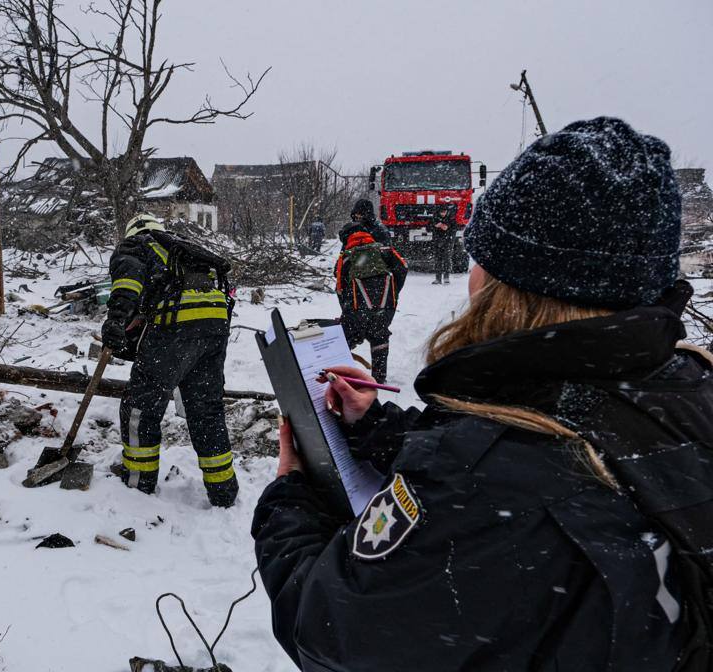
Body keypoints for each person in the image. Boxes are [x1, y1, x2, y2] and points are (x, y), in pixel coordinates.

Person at [252, 118, 705, 671]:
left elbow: (330, 631)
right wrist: (380, 425)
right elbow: (546, 441)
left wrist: (290, 497)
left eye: (477, 255)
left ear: (505, 281)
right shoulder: (685, 390)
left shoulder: (488, 481)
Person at [102, 213, 238, 507]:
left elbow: (128, 278)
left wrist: (115, 319)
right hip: (215, 322)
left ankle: (139, 482)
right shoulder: (179, 249)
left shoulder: (136, 245)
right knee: (206, 410)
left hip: (175, 324)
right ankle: (223, 490)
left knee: (141, 408)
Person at [334, 201, 407, 382]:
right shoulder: (384, 250)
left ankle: (339, 375)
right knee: (379, 336)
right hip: (385, 306)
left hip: (357, 309)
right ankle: (379, 378)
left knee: (344, 340)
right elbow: (403, 268)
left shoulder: (345, 258)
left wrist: (347, 309)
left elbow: (340, 288)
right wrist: (393, 292)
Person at [430, 212, 456, 284]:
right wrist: (435, 226)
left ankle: (446, 277)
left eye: (444, 212)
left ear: (447, 212)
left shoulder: (451, 218)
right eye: (441, 212)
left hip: (447, 241)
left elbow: (454, 230)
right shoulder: (435, 218)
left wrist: (447, 227)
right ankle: (438, 279)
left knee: (447, 259)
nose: (443, 213)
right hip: (437, 242)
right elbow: (428, 228)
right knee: (438, 260)